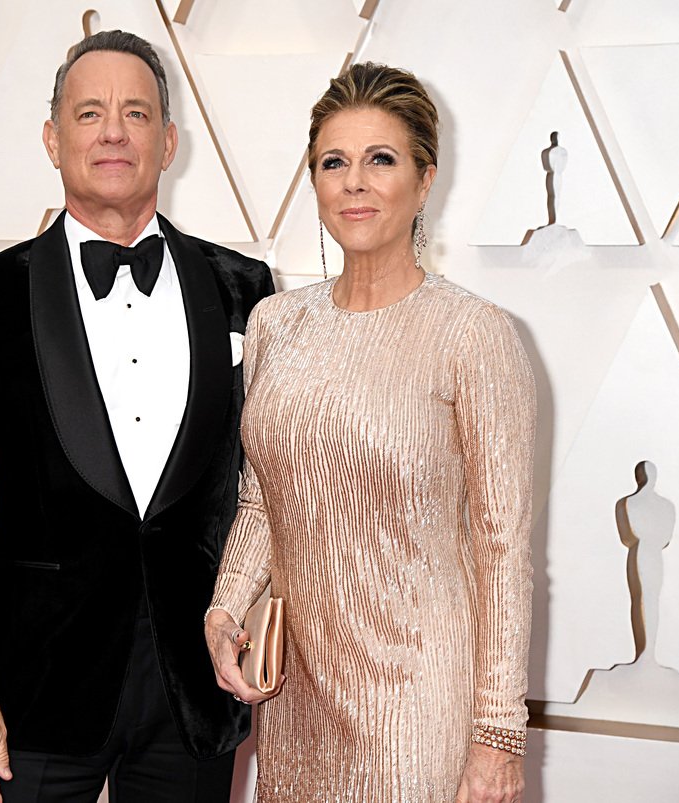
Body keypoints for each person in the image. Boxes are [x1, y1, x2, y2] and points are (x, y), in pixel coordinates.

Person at [0, 30, 273, 803]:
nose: (114, 130)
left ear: (168, 141)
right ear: (52, 138)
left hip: (196, 687)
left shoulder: (244, 286)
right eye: (90, 113)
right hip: (33, 695)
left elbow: (267, 486)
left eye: (137, 113)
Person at [205, 62, 535, 803]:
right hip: (296, 697)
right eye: (334, 162)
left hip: (419, 701)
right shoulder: (275, 324)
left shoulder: (473, 335)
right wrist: (225, 606)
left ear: (424, 181)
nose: (354, 181)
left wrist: (497, 735)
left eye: (380, 159)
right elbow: (263, 498)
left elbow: (502, 546)